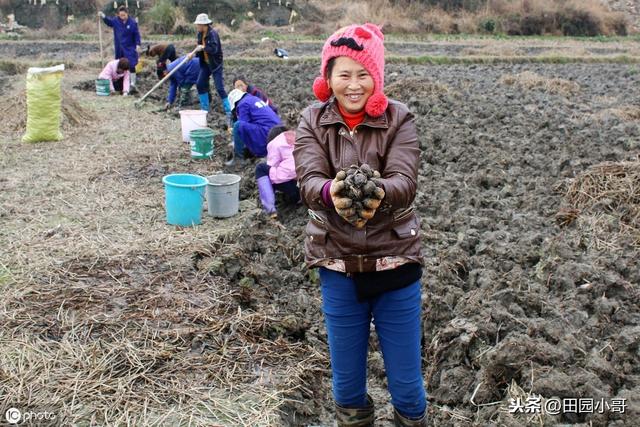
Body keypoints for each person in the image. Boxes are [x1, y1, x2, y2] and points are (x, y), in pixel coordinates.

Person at [293, 23, 428, 426]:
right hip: (338, 265)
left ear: (377, 77)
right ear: (328, 77)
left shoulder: (399, 119)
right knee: (347, 388)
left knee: (406, 386)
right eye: (344, 74)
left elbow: (405, 182)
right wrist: (329, 194)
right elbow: (308, 179)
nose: (354, 85)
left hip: (395, 264)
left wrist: (374, 192)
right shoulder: (312, 120)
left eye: (363, 74)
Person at [225, 88, 282, 167]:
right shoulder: (253, 99)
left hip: (267, 134)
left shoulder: (242, 104)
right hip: (278, 133)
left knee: (238, 125)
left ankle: (238, 159)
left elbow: (242, 127)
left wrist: (235, 143)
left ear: (235, 103)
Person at [187, 13, 230, 116]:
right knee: (200, 83)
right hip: (205, 64)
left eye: (198, 25)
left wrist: (203, 48)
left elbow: (214, 50)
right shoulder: (200, 34)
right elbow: (199, 48)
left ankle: (229, 110)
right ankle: (205, 109)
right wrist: (193, 54)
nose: (197, 26)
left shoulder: (212, 34)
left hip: (215, 65)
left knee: (219, 88)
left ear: (204, 25)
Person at [255, 125, 300, 218]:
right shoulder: (298, 136)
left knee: (262, 169)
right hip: (308, 184)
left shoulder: (274, 143)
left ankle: (270, 210)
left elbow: (272, 166)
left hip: (293, 186)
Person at [99, 6, 141, 90]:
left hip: (130, 47)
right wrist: (103, 16)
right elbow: (109, 22)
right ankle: (121, 82)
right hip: (119, 47)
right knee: (120, 65)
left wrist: (138, 44)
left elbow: (136, 34)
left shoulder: (132, 23)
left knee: (131, 64)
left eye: (124, 15)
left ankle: (132, 83)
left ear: (127, 14)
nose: (122, 17)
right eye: (120, 15)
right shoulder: (116, 21)